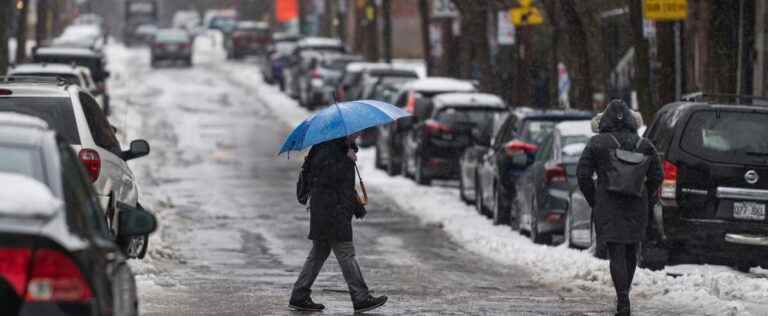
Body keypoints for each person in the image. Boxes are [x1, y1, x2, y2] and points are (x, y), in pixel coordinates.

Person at [576, 100, 663, 316]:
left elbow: (582, 173)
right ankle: (624, 294)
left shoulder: (597, 143)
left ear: (605, 120)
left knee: (616, 251)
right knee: (631, 250)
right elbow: (657, 176)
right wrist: (647, 197)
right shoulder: (645, 145)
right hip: (637, 204)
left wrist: (594, 199)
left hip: (608, 204)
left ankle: (622, 298)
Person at [289, 133, 388, 313]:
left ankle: (299, 295)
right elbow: (325, 179)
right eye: (355, 132)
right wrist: (346, 159)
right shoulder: (327, 148)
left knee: (319, 253)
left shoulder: (340, 148)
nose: (358, 134)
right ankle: (361, 297)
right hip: (330, 211)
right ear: (344, 132)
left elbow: (343, 186)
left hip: (331, 210)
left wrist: (357, 207)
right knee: (346, 253)